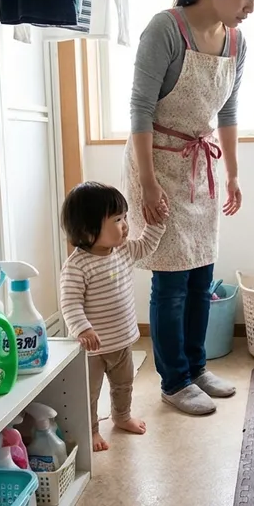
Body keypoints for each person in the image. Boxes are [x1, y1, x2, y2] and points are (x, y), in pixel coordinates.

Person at [124, 0, 254, 416]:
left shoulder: (237, 43)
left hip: (200, 166)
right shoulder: (165, 30)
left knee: (202, 274)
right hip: (156, 163)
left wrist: (233, 173)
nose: (250, 8)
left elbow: (227, 111)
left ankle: (196, 367)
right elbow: (140, 110)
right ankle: (174, 381)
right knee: (171, 281)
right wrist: (148, 183)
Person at [59, 182, 166, 451]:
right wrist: (83, 329)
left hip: (121, 342)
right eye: (117, 220)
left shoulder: (124, 250)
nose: (125, 225)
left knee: (123, 384)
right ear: (87, 229)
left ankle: (122, 416)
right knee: (89, 392)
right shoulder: (77, 265)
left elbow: (146, 246)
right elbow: (70, 302)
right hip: (92, 349)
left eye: (125, 217)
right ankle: (91, 429)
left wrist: (156, 223)